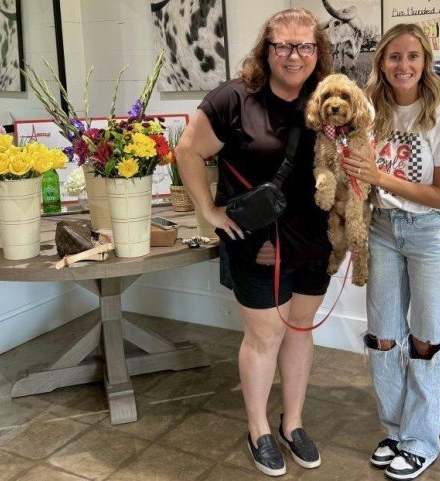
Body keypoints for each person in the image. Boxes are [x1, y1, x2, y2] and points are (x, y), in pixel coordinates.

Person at [175, 8, 333, 478]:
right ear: (266, 50)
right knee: (265, 336)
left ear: (317, 51)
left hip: (315, 238)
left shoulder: (325, 97)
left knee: (300, 329)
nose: (294, 55)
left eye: (305, 46)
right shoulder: (234, 99)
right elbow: (187, 150)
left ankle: (293, 422)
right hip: (258, 240)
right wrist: (209, 212)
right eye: (283, 45)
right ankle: (259, 427)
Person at [342, 23, 440, 480]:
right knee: (383, 336)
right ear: (381, 62)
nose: (403, 65)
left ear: (426, 62)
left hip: (430, 234)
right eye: (394, 56)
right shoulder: (369, 112)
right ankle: (396, 431)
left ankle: (421, 440)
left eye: (413, 56)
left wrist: (380, 177)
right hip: (380, 228)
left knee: (426, 340)